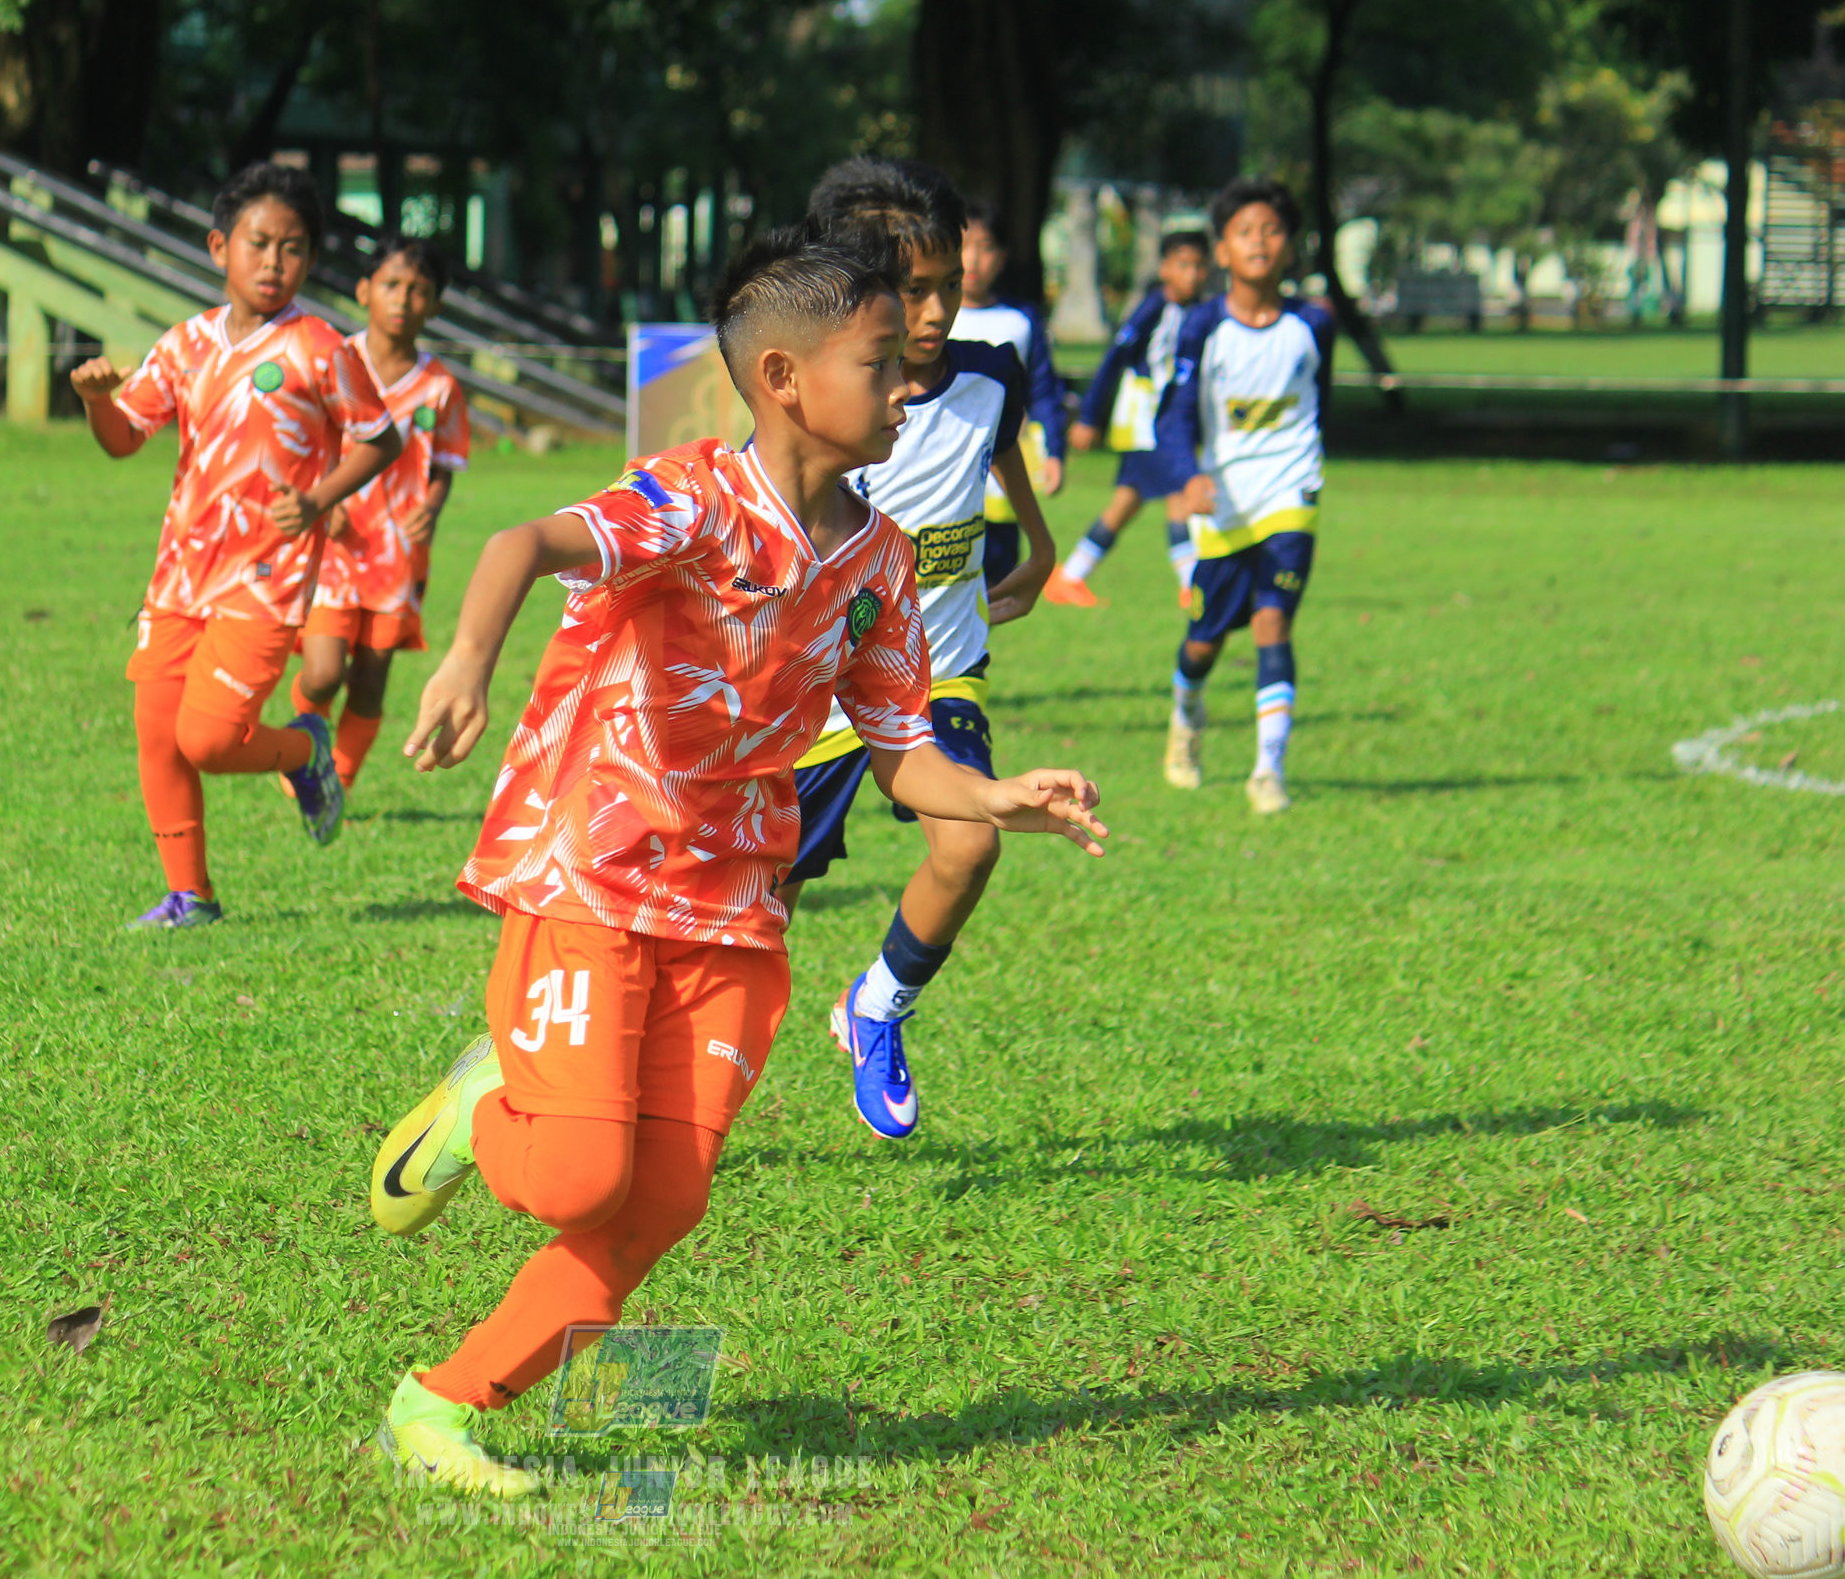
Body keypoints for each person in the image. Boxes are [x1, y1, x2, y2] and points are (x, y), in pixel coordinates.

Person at [362, 225, 1108, 1498]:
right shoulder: (689, 500)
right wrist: (466, 662)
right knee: (580, 1175)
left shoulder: (876, 558)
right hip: (596, 872)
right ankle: (482, 1106)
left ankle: (439, 1405)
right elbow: (519, 546)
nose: (908, 386)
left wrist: (991, 793)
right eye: (880, 361)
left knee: (662, 1199)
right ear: (782, 377)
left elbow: (896, 746)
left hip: (731, 903)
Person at [784, 158, 1056, 1142]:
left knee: (970, 840)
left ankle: (876, 1005)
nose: (936, 310)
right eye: (911, 289)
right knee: (763, 903)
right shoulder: (821, 398)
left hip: (936, 671)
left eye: (948, 284)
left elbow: (998, 448)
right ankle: (687, 1078)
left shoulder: (991, 375)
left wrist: (1039, 550)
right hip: (816, 688)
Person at [69, 163, 403, 928]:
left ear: (309, 259)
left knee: (210, 739)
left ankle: (305, 750)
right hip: (179, 575)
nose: (274, 262)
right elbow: (123, 438)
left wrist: (316, 500)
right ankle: (192, 897)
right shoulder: (183, 344)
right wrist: (94, 402)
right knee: (159, 735)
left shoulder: (321, 347)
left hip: (266, 578)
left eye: (293, 247)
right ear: (220, 247)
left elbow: (380, 438)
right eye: (258, 243)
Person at [1153, 179, 1333, 817]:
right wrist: (1189, 477)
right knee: (1204, 642)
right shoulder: (1203, 326)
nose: (1260, 241)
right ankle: (1187, 710)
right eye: (1245, 232)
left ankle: (1267, 772)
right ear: (1223, 251)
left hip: (1291, 492)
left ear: (1291, 246)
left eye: (1273, 230)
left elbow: (1321, 401)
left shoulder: (1315, 322)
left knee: (1273, 621)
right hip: (1223, 501)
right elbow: (1173, 416)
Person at [287, 236, 471, 789]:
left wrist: (432, 507)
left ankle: (333, 787)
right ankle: (300, 750)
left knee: (370, 681)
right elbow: (296, 444)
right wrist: (323, 500)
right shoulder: (331, 363)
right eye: (391, 285)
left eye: (418, 291)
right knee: (323, 673)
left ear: (434, 305)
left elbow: (443, 466)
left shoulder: (440, 387)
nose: (403, 300)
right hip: (333, 545)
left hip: (396, 556)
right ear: (364, 290)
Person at [1055, 230, 1213, 609]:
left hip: (1171, 422)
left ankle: (1070, 576)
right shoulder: (1152, 309)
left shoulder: (1202, 312)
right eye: (1182, 265)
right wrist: (1090, 416)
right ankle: (1192, 586)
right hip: (1147, 422)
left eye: (1198, 266)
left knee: (1129, 501)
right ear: (1164, 268)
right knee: (1177, 493)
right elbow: (1113, 361)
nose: (1191, 274)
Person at [950, 199, 1067, 589]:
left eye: (985, 248)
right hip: (942, 472)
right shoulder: (928, 316)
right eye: (964, 246)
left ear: (1002, 256)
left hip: (1000, 476)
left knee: (994, 586)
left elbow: (1043, 391)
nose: (973, 259)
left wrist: (1055, 451)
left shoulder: (1020, 319)